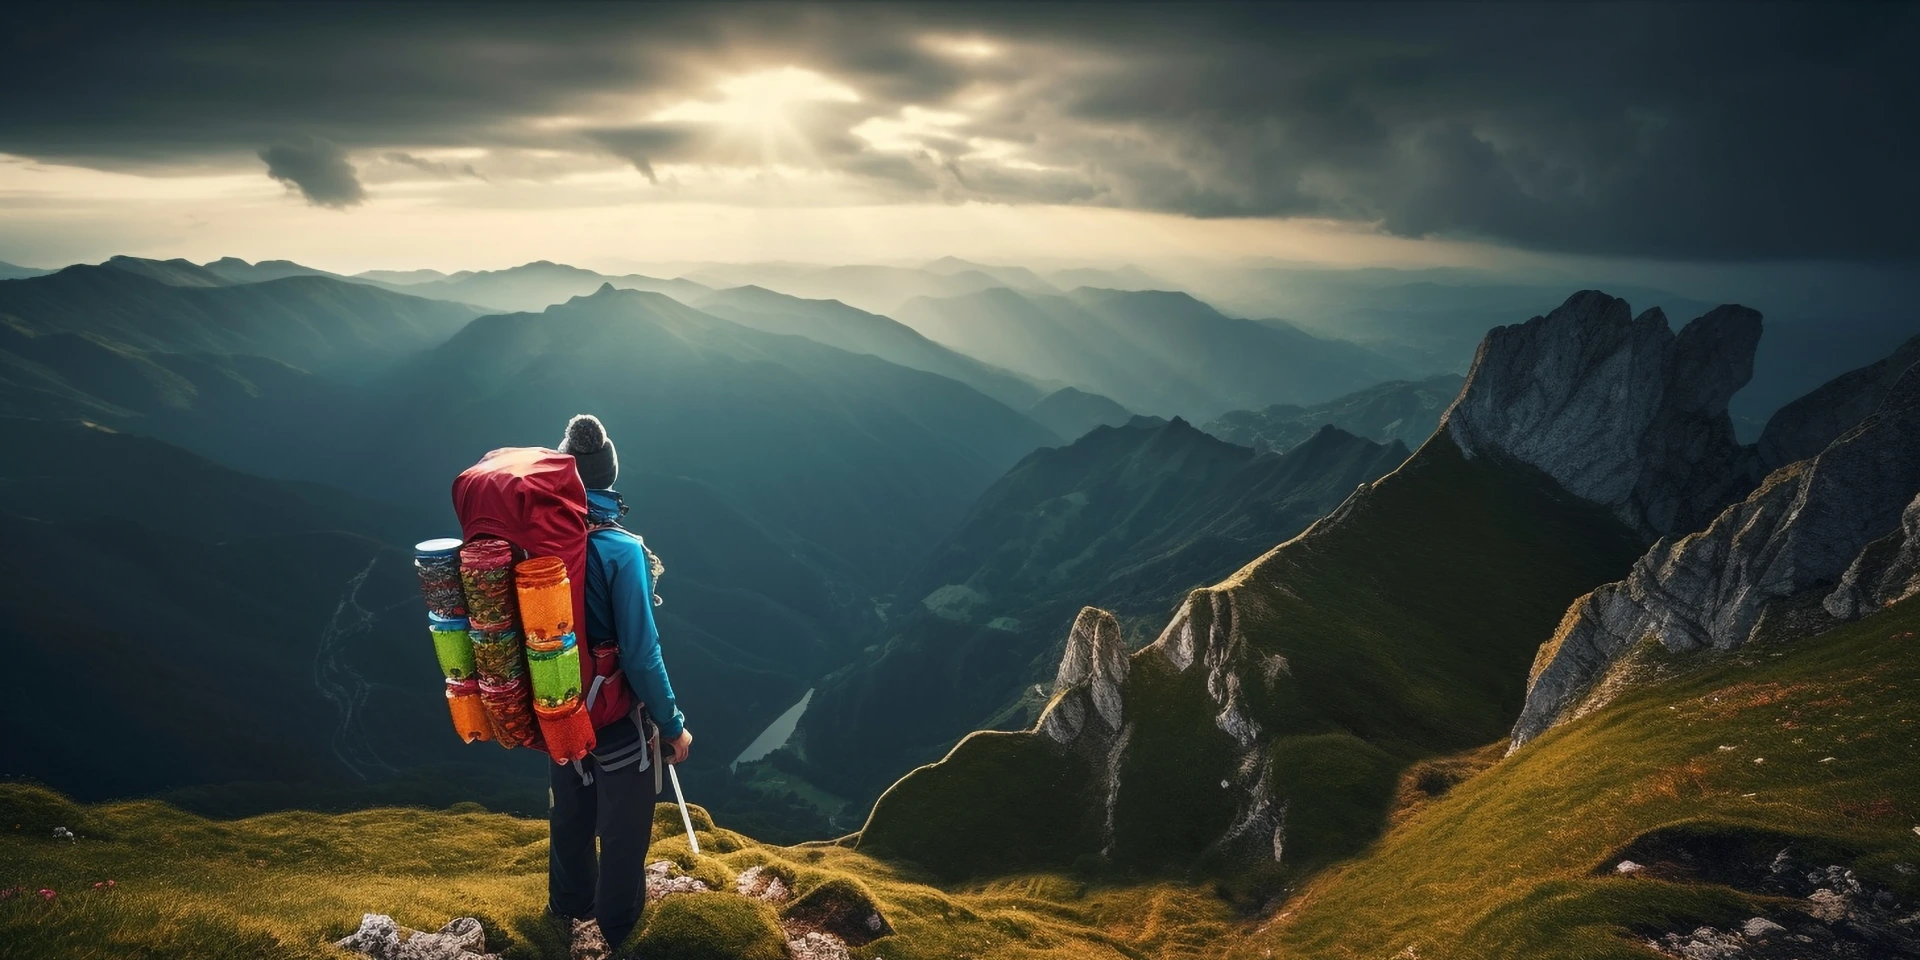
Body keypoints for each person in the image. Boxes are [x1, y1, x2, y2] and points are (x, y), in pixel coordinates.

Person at [546, 413, 693, 958]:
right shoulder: (621, 549)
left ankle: (566, 910)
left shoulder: (537, 540)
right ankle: (620, 930)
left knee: (571, 812)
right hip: (613, 717)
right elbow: (640, 652)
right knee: (626, 825)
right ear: (608, 476)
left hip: (557, 705)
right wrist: (673, 725)